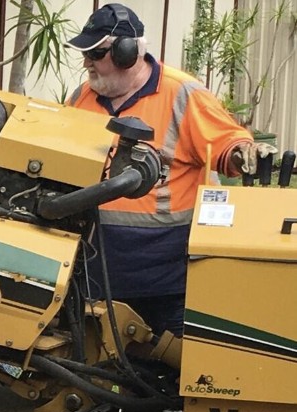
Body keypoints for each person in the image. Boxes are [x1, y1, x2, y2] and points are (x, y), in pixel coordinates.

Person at [65, 2, 272, 339]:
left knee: (178, 360)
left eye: (96, 54)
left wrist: (242, 153)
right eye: (85, 54)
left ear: (126, 53)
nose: (87, 63)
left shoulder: (183, 94)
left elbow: (227, 145)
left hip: (165, 278)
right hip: (95, 270)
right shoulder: (81, 98)